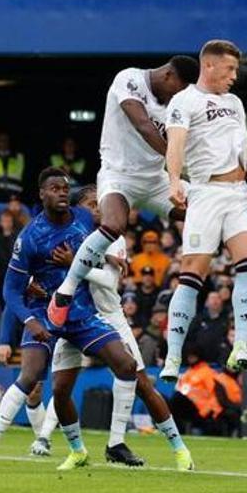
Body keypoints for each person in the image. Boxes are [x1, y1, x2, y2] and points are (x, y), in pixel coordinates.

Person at [47, 53, 247, 335]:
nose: (182, 96)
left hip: (157, 181)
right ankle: (64, 293)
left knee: (223, 210)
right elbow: (144, 126)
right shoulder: (129, 79)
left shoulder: (181, 105)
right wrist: (177, 162)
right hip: (119, 176)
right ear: (168, 76)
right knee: (113, 225)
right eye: (181, 89)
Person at [141, 40, 247, 379]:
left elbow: (246, 147)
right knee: (191, 276)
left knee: (246, 262)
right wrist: (174, 179)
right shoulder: (184, 101)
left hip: (238, 193)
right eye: (229, 69)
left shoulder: (235, 103)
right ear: (209, 66)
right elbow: (175, 144)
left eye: (236, 69)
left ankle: (241, 348)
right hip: (205, 194)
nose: (234, 76)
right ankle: (173, 358)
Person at [0, 167, 140, 472]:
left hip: (79, 312)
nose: (61, 192)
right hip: (43, 313)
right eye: (54, 188)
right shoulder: (30, 237)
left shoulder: (84, 217)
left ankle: (115, 443)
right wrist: (29, 320)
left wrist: (109, 257)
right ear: (42, 194)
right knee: (31, 375)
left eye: (64, 188)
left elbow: (103, 235)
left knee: (127, 365)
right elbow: (10, 290)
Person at [29, 186, 194, 470]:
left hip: (109, 316)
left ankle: (177, 449)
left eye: (100, 203)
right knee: (61, 389)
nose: (98, 209)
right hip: (74, 319)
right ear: (77, 208)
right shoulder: (63, 235)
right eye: (92, 204)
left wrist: (75, 265)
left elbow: (108, 282)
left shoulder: (112, 237)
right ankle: (77, 450)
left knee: (140, 382)